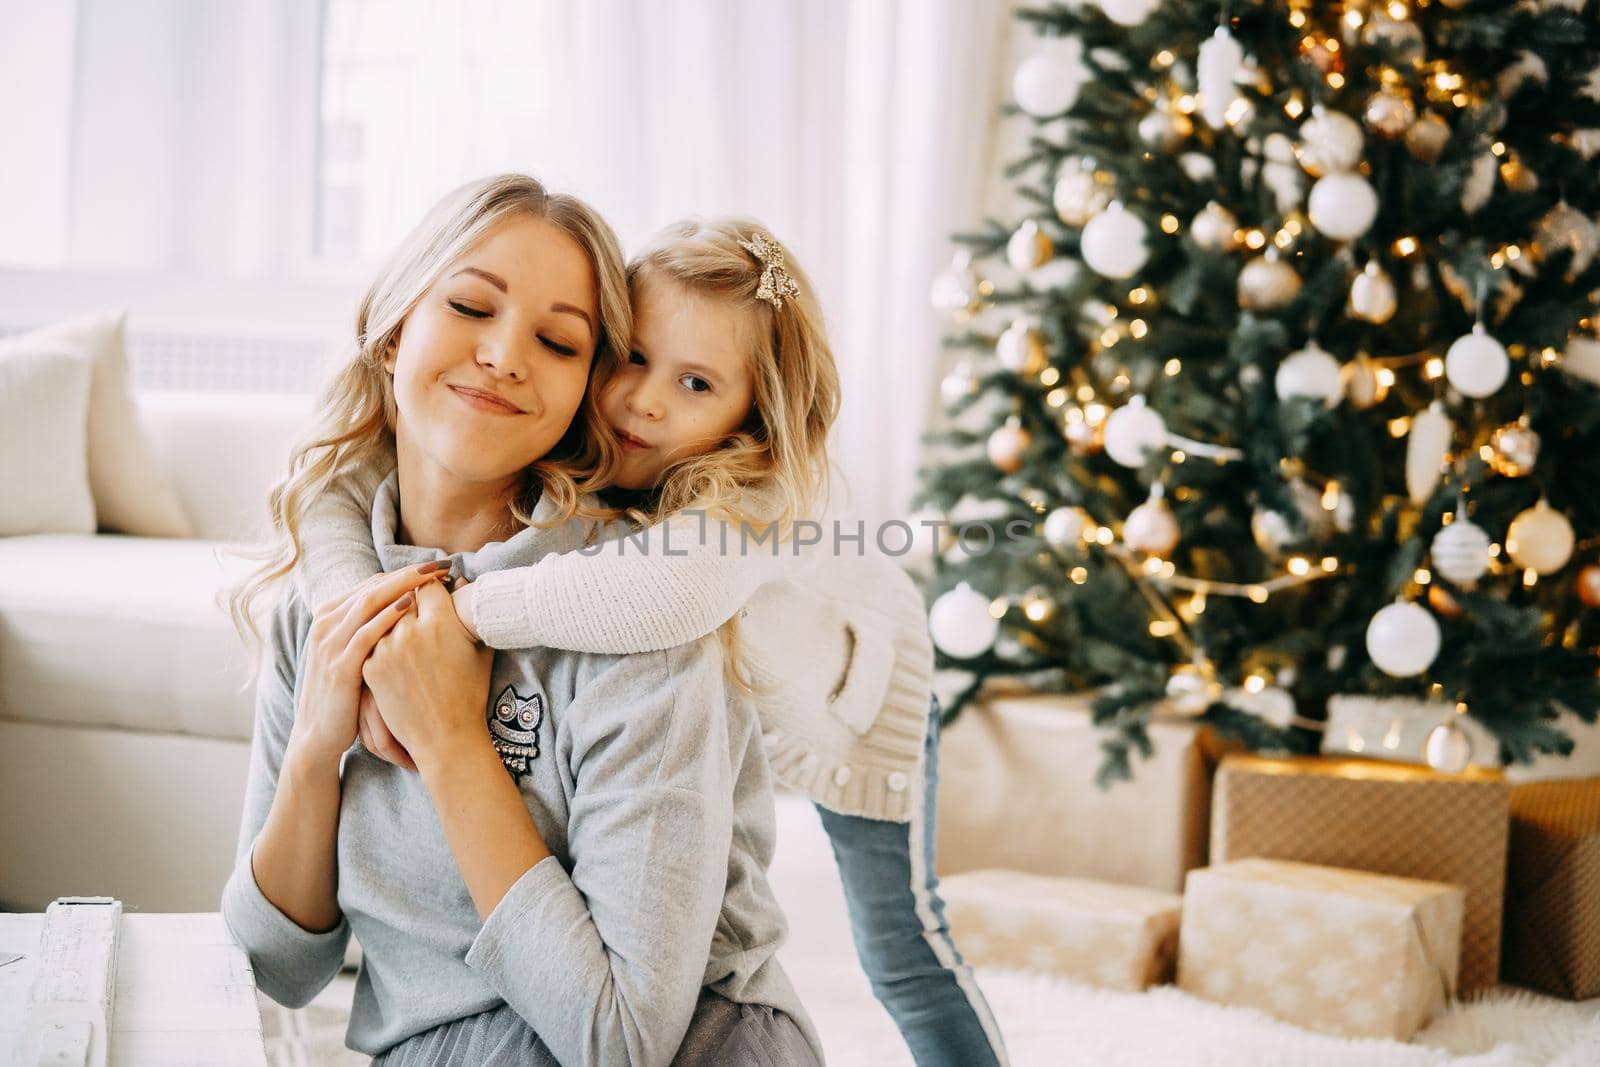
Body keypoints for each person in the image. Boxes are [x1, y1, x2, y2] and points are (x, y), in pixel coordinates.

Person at [296, 215, 1009, 1067]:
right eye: (634, 358)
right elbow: (333, 489)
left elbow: (663, 595)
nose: (646, 400)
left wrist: (451, 611)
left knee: (903, 954)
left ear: (756, 415)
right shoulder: (591, 455)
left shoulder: (741, 506)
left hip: (863, 694)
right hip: (740, 694)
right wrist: (357, 623)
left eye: (698, 383)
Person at [223, 173, 821, 1066]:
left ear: (584, 388)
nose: (505, 354)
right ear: (393, 334)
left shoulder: (636, 613)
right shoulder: (330, 601)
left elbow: (619, 1039)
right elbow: (276, 965)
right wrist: (317, 742)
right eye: (469, 305)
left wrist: (454, 742)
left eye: (557, 340)